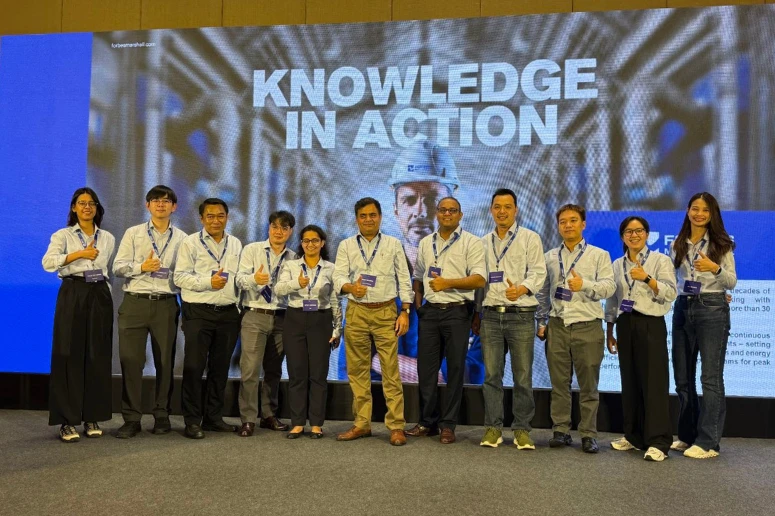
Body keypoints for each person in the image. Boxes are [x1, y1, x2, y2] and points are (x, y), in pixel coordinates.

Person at [536, 203, 615, 453]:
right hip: (557, 326)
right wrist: (541, 321)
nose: (567, 225)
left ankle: (588, 434)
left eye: (573, 220)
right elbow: (543, 293)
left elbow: (609, 287)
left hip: (588, 325)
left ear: (583, 224)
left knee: (588, 385)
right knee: (559, 384)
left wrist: (585, 285)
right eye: (563, 222)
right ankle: (560, 430)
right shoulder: (549, 257)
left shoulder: (599, 255)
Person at [407, 197, 486, 444]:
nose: (447, 214)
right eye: (443, 210)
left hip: (457, 312)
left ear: (460, 215)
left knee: (455, 370)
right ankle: (427, 422)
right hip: (430, 313)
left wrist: (447, 283)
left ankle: (448, 425)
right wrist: (419, 307)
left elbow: (479, 279)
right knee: (426, 371)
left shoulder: (472, 242)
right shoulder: (425, 242)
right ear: (437, 214)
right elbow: (418, 276)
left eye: (453, 210)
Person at [333, 197, 411, 446]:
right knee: (357, 371)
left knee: (391, 370)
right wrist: (350, 287)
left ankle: (396, 426)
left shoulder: (393, 243)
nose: (368, 219)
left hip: (386, 311)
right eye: (363, 216)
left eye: (372, 215)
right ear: (357, 219)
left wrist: (405, 310)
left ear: (380, 217)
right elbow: (338, 276)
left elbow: (404, 278)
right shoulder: (346, 245)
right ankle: (361, 423)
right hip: (356, 311)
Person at [472, 189, 546, 449]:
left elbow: (539, 272)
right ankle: (493, 428)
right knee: (491, 376)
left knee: (522, 377)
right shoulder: (482, 243)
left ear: (516, 210)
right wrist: (476, 313)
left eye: (507, 207)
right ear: (491, 210)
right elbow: (478, 281)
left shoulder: (530, 238)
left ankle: (522, 429)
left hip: (521, 315)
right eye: (497, 207)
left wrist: (523, 289)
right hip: (491, 316)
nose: (502, 211)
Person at [42, 187, 116, 442]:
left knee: (98, 354)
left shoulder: (107, 237)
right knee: (68, 354)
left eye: (91, 203)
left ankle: (92, 416)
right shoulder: (63, 235)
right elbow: (48, 263)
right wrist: (80, 254)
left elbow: (105, 269)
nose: (87, 207)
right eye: (82, 203)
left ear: (97, 208)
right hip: (73, 291)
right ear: (74, 208)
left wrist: (104, 291)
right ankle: (67, 421)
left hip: (99, 293)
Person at [113, 185, 187, 438]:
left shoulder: (183, 238)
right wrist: (142, 267)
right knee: (131, 362)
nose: (160, 204)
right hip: (135, 302)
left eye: (166, 201)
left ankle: (162, 415)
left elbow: (185, 273)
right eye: (155, 200)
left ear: (174, 207)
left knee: (165, 362)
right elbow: (118, 267)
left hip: (166, 303)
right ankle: (131, 418)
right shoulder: (133, 233)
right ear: (148, 205)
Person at [670, 192, 736, 459]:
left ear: (712, 215)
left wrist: (714, 268)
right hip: (683, 307)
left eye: (705, 210)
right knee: (682, 378)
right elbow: (673, 280)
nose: (699, 214)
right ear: (688, 211)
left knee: (710, 378)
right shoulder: (678, 244)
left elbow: (731, 281)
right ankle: (688, 435)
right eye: (695, 209)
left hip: (711, 308)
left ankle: (709, 442)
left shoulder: (722, 244)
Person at [605, 216, 677, 462]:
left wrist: (647, 278)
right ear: (622, 236)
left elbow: (671, 293)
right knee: (630, 381)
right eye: (628, 231)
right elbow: (613, 299)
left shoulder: (660, 260)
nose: (633, 235)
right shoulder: (617, 264)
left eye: (638, 231)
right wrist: (609, 330)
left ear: (647, 234)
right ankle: (634, 436)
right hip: (625, 323)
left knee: (654, 383)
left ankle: (659, 441)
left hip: (650, 323)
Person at [174, 198, 243, 439]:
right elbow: (179, 277)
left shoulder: (235, 243)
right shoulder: (190, 242)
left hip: (228, 313)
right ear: (201, 219)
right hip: (198, 312)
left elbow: (238, 277)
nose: (216, 220)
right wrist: (208, 282)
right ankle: (192, 421)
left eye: (220, 215)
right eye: (210, 216)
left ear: (227, 217)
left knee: (220, 368)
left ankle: (213, 418)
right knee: (194, 367)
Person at [275, 225, 342, 439]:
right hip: (295, 318)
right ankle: (297, 423)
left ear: (322, 243)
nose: (310, 244)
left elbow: (335, 300)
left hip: (321, 320)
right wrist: (296, 283)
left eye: (314, 240)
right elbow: (278, 289)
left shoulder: (331, 268)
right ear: (301, 243)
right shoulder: (291, 265)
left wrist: (338, 329)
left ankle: (316, 424)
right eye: (306, 241)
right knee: (296, 373)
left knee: (318, 374)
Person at [235, 210, 296, 437]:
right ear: (269, 228)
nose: (278, 232)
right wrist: (255, 279)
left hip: (282, 316)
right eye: (274, 227)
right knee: (250, 369)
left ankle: (269, 415)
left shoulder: (294, 257)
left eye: (284, 228)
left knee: (274, 370)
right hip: (255, 314)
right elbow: (239, 279)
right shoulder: (252, 250)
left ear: (290, 231)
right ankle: (248, 419)